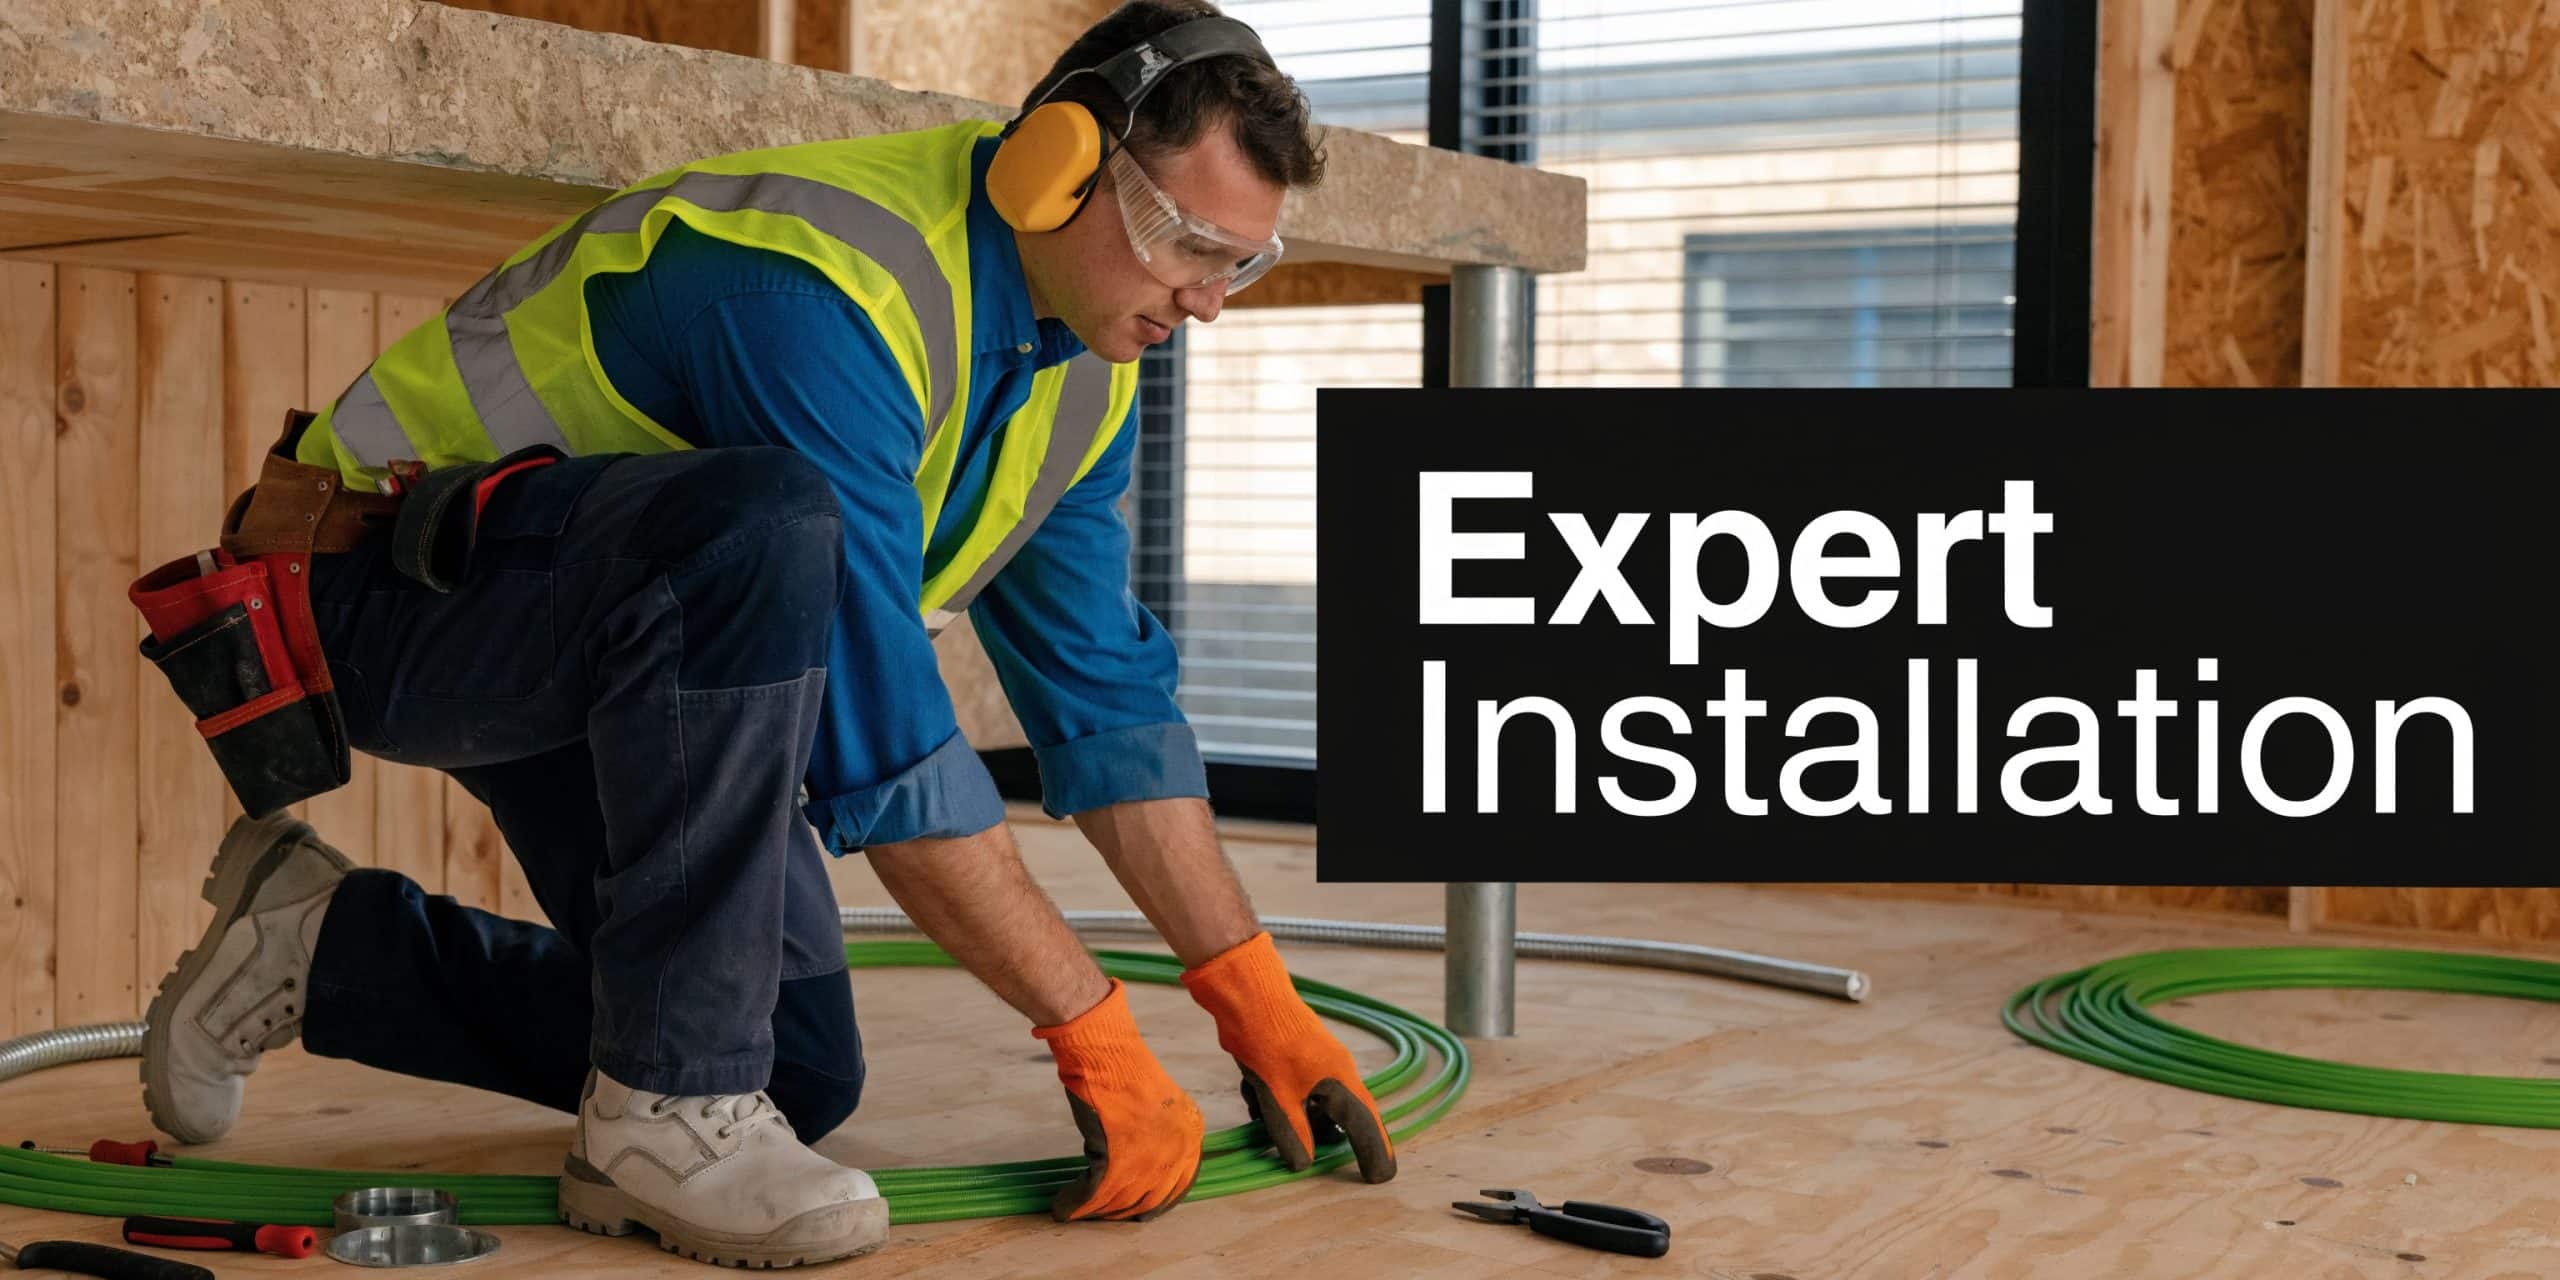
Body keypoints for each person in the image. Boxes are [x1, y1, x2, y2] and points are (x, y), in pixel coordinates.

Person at [133, 1, 1394, 1267]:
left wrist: (1249, 990)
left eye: (1243, 261)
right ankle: (661, 1116)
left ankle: (324, 940)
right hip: (372, 601)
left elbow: (1105, 702)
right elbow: (882, 736)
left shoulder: (1088, 374)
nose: (1212, 300)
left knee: (788, 1066)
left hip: (623, 644)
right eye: (1187, 241)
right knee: (768, 523)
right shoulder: (824, 282)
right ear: (1051, 165)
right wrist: (1093, 1028)